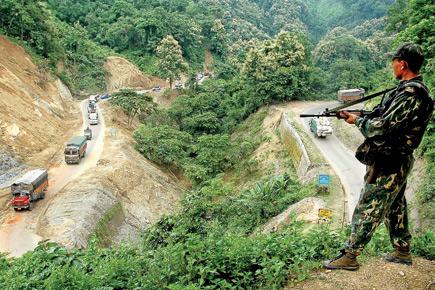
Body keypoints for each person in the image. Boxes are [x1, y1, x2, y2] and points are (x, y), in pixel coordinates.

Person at [323, 43, 434, 271]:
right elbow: (385, 116)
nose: (392, 65)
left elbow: (382, 127)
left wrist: (358, 121)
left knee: (369, 204)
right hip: (394, 158)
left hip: (390, 161)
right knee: (395, 204)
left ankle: (350, 255)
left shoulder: (412, 93)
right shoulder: (406, 90)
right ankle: (402, 250)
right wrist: (357, 115)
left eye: (394, 61)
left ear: (402, 64)